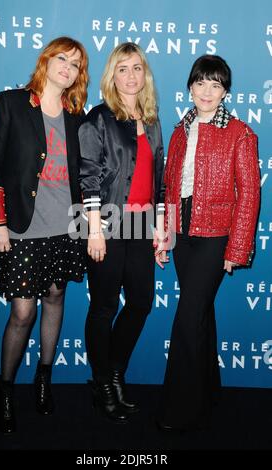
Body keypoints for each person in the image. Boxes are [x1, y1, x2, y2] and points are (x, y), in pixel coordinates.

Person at [0, 36, 89, 433]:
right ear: (46, 60)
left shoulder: (77, 116)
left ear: (80, 75)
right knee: (23, 311)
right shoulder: (9, 103)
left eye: (75, 64)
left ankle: (44, 378)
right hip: (23, 227)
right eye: (62, 58)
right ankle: (5, 388)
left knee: (56, 296)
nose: (67, 67)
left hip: (65, 227)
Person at [157, 54, 260, 432]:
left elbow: (249, 195)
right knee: (200, 316)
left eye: (215, 85)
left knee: (187, 317)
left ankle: (180, 408)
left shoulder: (241, 133)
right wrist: (165, 239)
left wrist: (236, 249)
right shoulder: (179, 130)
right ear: (190, 87)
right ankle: (208, 393)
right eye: (201, 83)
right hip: (183, 234)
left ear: (225, 92)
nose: (207, 91)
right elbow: (169, 188)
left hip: (216, 237)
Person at [78, 42, 166, 423]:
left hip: (142, 226)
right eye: (122, 69)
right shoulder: (98, 118)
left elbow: (160, 182)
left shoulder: (153, 118)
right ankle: (102, 382)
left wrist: (163, 230)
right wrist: (93, 231)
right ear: (111, 77)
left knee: (142, 301)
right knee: (103, 307)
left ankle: (113, 373)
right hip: (106, 225)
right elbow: (89, 177)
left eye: (137, 68)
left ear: (144, 74)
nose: (131, 76)